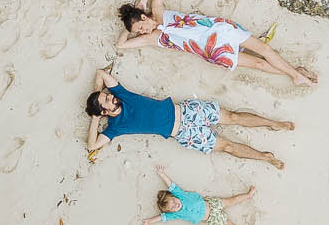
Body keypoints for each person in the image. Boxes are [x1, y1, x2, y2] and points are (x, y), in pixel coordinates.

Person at [115, 0, 317, 85]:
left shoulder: (158, 11)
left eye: (140, 26)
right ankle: (294, 73)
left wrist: (142, 2)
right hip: (213, 51)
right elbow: (121, 45)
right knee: (259, 64)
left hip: (219, 30)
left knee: (264, 50)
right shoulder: (153, 38)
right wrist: (129, 28)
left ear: (144, 16)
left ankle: (296, 74)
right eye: (139, 32)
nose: (142, 32)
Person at [84, 70, 291, 168]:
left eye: (107, 94)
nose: (110, 96)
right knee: (227, 147)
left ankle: (272, 124)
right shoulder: (115, 128)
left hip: (186, 112)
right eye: (107, 100)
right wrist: (95, 118)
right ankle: (265, 157)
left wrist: (96, 96)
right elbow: (92, 145)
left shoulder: (123, 95)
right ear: (104, 112)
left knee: (233, 117)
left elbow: (101, 74)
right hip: (184, 134)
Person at [139, 168, 255, 225]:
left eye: (174, 201)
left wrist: (161, 174)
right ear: (171, 212)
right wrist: (149, 221)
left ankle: (248, 195)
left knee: (231, 200)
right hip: (212, 218)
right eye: (172, 208)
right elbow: (162, 217)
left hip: (212, 204)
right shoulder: (175, 214)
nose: (175, 205)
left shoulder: (180, 194)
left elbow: (171, 185)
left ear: (174, 196)